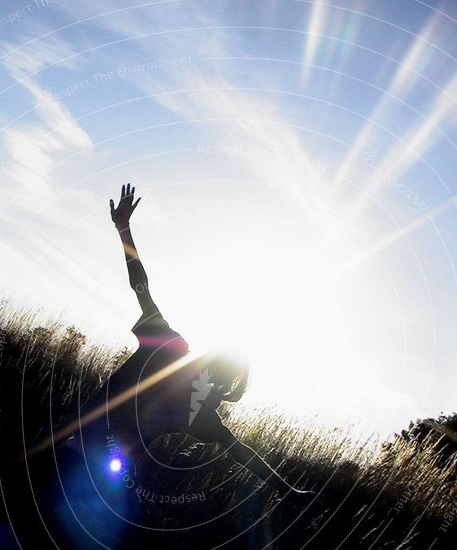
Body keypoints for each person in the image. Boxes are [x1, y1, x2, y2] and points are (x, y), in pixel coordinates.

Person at [70, 183, 321, 511]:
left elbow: (243, 453)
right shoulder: (171, 348)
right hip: (85, 447)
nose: (210, 372)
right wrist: (123, 229)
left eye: (219, 373)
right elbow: (141, 287)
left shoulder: (196, 406)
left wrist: (288, 490)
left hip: (107, 469)